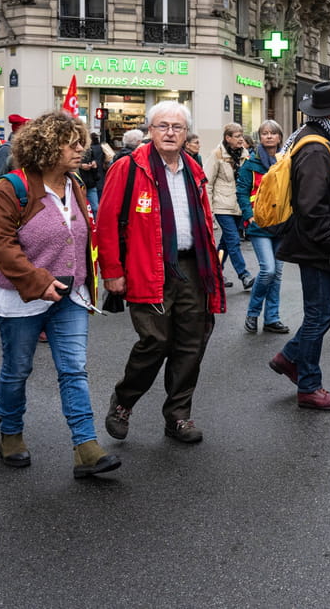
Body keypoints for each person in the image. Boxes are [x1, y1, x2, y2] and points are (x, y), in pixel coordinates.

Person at [0, 111, 121, 478]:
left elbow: (82, 237)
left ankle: (86, 446)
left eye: (80, 142)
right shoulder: (11, 187)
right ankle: (10, 434)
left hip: (69, 295)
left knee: (74, 369)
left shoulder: (75, 184)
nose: (78, 149)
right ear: (44, 146)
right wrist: (39, 281)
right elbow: (3, 245)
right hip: (20, 296)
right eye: (69, 143)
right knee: (17, 369)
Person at [98, 100, 225, 445]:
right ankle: (124, 401)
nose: (170, 133)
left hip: (192, 266)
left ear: (186, 134)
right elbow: (107, 223)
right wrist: (111, 271)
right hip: (146, 266)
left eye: (177, 127)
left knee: (191, 343)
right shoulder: (128, 168)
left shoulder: (193, 168)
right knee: (155, 341)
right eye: (163, 126)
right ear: (150, 131)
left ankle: (178, 416)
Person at [268, 81, 330, 411]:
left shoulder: (320, 140)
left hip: (324, 246)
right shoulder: (317, 148)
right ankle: (309, 385)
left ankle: (290, 356)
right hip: (319, 248)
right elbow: (311, 205)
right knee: (318, 313)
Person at [237, 120, 290, 335]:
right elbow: (242, 192)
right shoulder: (250, 164)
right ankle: (253, 312)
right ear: (260, 138)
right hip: (259, 224)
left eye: (272, 133)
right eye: (264, 133)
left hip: (281, 223)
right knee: (267, 269)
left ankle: (272, 318)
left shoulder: (286, 161)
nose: (268, 137)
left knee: (276, 273)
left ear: (279, 137)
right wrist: (249, 216)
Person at [206, 123, 254, 292]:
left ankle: (215, 272)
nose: (241, 139)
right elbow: (207, 184)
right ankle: (244, 275)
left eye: (242, 135)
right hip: (222, 206)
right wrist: (209, 211)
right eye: (237, 136)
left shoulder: (245, 155)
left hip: (239, 206)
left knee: (225, 243)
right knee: (233, 239)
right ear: (228, 138)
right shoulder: (217, 155)